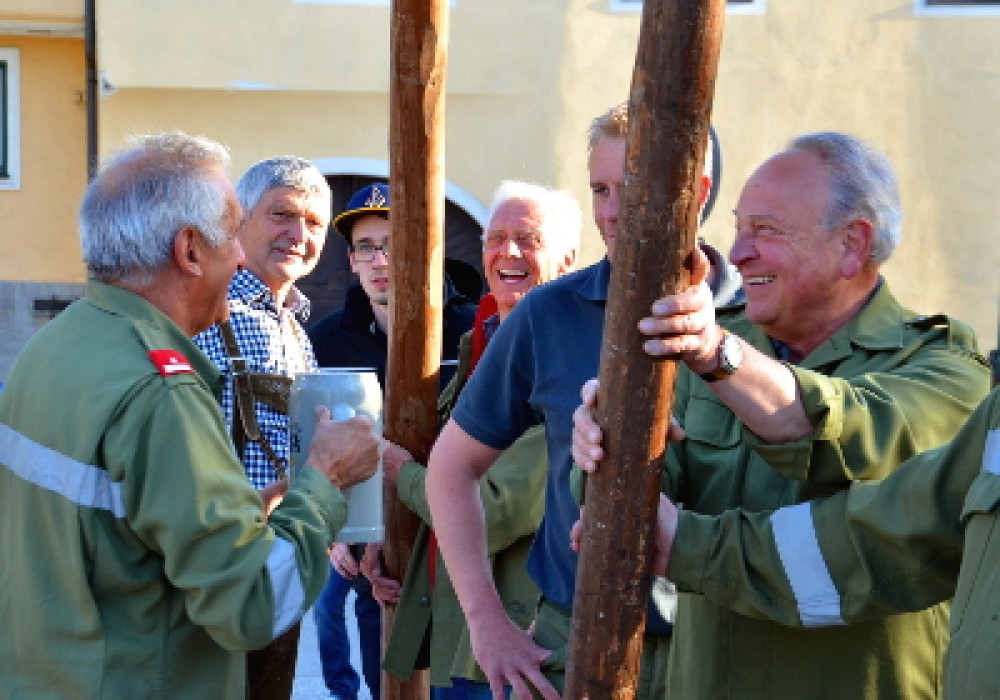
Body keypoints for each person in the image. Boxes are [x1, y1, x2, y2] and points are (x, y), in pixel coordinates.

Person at [570, 131, 992, 699]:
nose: (739, 252)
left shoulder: (944, 366)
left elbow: (849, 433)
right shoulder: (714, 347)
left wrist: (718, 356)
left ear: (853, 244)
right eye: (740, 227)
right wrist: (601, 445)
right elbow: (637, 508)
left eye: (765, 231)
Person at [0, 132, 380, 699]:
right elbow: (252, 607)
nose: (241, 255)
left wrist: (244, 506)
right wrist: (322, 484)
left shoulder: (56, 344)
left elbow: (114, 524)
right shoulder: (162, 391)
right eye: (232, 232)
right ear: (189, 250)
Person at [423, 102, 738, 700]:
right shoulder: (550, 312)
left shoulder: (754, 322)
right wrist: (486, 623)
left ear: (695, 192)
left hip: (721, 645)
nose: (613, 211)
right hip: (577, 641)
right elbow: (451, 467)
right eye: (600, 189)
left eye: (634, 188)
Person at [631, 386, 1000, 699]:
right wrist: (612, 432)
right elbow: (876, 539)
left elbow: (860, 438)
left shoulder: (942, 360)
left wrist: (725, 360)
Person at [369, 181, 580, 699]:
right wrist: (386, 538)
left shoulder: (565, 359)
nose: (507, 252)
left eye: (527, 238)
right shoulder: (479, 341)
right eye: (496, 237)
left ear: (568, 260)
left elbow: (492, 510)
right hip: (457, 638)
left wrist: (401, 474)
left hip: (520, 643)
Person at [307, 182, 478, 700]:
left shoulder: (472, 329)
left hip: (456, 544)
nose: (381, 259)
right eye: (366, 247)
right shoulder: (327, 340)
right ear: (353, 262)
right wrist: (339, 536)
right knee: (382, 671)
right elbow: (312, 442)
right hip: (368, 550)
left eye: (395, 243)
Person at [193, 155, 332, 698]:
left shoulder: (295, 328)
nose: (299, 234)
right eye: (282, 215)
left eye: (314, 223)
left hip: (280, 558)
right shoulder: (213, 309)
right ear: (239, 220)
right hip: (223, 562)